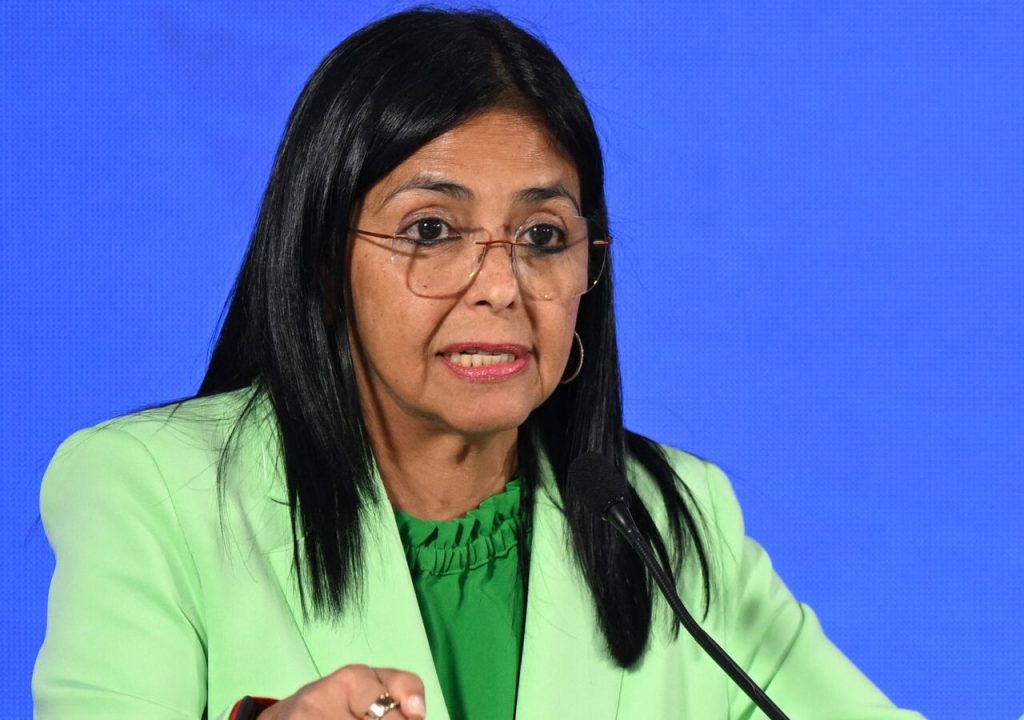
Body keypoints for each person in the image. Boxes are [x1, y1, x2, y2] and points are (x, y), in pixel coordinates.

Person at [33, 8, 924, 720]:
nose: (501, 286)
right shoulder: (149, 492)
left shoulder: (667, 520)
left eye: (543, 237)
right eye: (431, 230)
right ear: (323, 264)